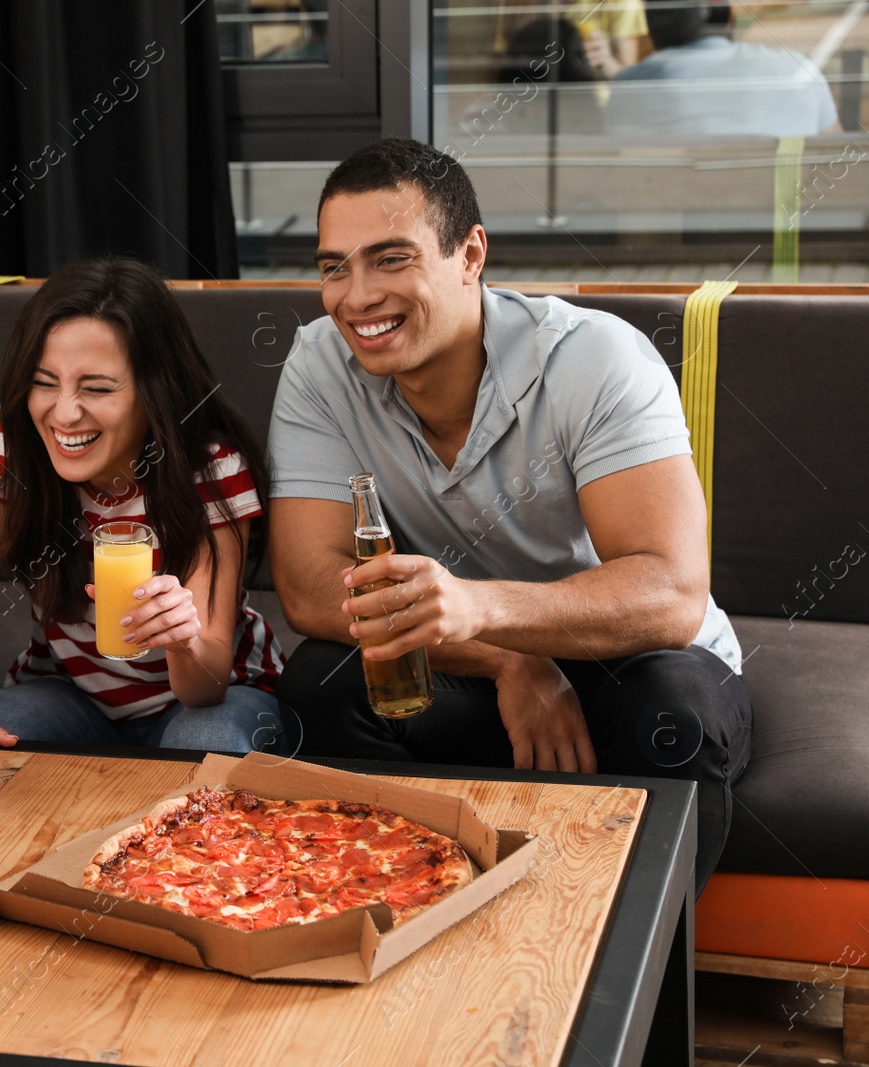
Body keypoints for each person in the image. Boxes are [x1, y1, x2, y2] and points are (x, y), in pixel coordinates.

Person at [268, 138, 751, 893]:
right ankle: (410, 922)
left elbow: (670, 592)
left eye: (391, 259)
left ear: (470, 254)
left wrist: (479, 606)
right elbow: (305, 584)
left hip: (630, 660)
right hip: (472, 667)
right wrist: (504, 653)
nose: (356, 296)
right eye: (335, 266)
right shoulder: (320, 365)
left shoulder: (595, 359)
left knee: (675, 712)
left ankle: (628, 997)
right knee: (319, 684)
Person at [0, 258, 283, 768]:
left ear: (155, 392)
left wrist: (182, 640)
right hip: (68, 693)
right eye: (45, 382)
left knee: (207, 748)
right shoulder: (10, 443)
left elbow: (207, 679)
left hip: (215, 695)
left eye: (98, 388)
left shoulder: (211, 470)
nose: (64, 413)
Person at [605, 0, 840, 137]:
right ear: (726, 18)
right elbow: (837, 152)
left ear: (653, 28)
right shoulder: (798, 71)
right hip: (785, 220)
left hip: (682, 217)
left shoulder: (631, 85)